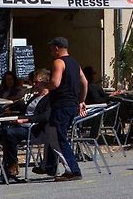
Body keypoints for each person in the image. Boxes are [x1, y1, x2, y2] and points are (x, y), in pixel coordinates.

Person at [43, 37, 88, 182]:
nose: (50, 51)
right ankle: (49, 166)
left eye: (51, 48)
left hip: (61, 105)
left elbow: (55, 83)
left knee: (58, 138)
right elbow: (85, 82)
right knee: (54, 134)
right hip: (72, 106)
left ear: (57, 48)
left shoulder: (58, 62)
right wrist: (81, 100)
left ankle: (72, 170)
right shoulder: (75, 63)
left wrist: (43, 85)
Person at [0, 68, 51, 179]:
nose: (34, 84)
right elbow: (25, 111)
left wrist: (25, 120)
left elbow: (44, 117)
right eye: (34, 81)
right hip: (22, 125)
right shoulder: (34, 96)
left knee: (9, 133)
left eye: (37, 82)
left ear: (45, 82)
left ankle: (12, 165)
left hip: (34, 129)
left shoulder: (49, 98)